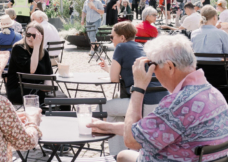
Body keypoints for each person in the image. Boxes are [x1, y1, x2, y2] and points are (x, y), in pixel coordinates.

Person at [87, 35, 228, 162]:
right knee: (123, 155)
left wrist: (138, 88)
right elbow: (150, 129)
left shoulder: (177, 104)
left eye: (152, 65)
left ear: (169, 67)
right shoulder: (213, 92)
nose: (151, 71)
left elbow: (131, 140)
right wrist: (106, 126)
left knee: (123, 155)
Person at [96, 22, 169, 155]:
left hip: (143, 101)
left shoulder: (121, 47)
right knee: (115, 113)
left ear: (122, 37)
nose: (111, 40)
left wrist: (110, 70)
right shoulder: (141, 47)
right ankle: (126, 151)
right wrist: (108, 68)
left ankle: (117, 154)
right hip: (161, 100)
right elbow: (122, 74)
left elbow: (114, 79)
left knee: (102, 108)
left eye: (112, 37)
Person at [6, 23, 53, 105]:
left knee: (64, 100)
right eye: (28, 34)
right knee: (45, 100)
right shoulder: (18, 49)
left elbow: (49, 76)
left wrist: (48, 88)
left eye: (34, 35)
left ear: (40, 37)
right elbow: (31, 70)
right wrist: (36, 46)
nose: (30, 37)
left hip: (39, 89)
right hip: (19, 91)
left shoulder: (44, 53)